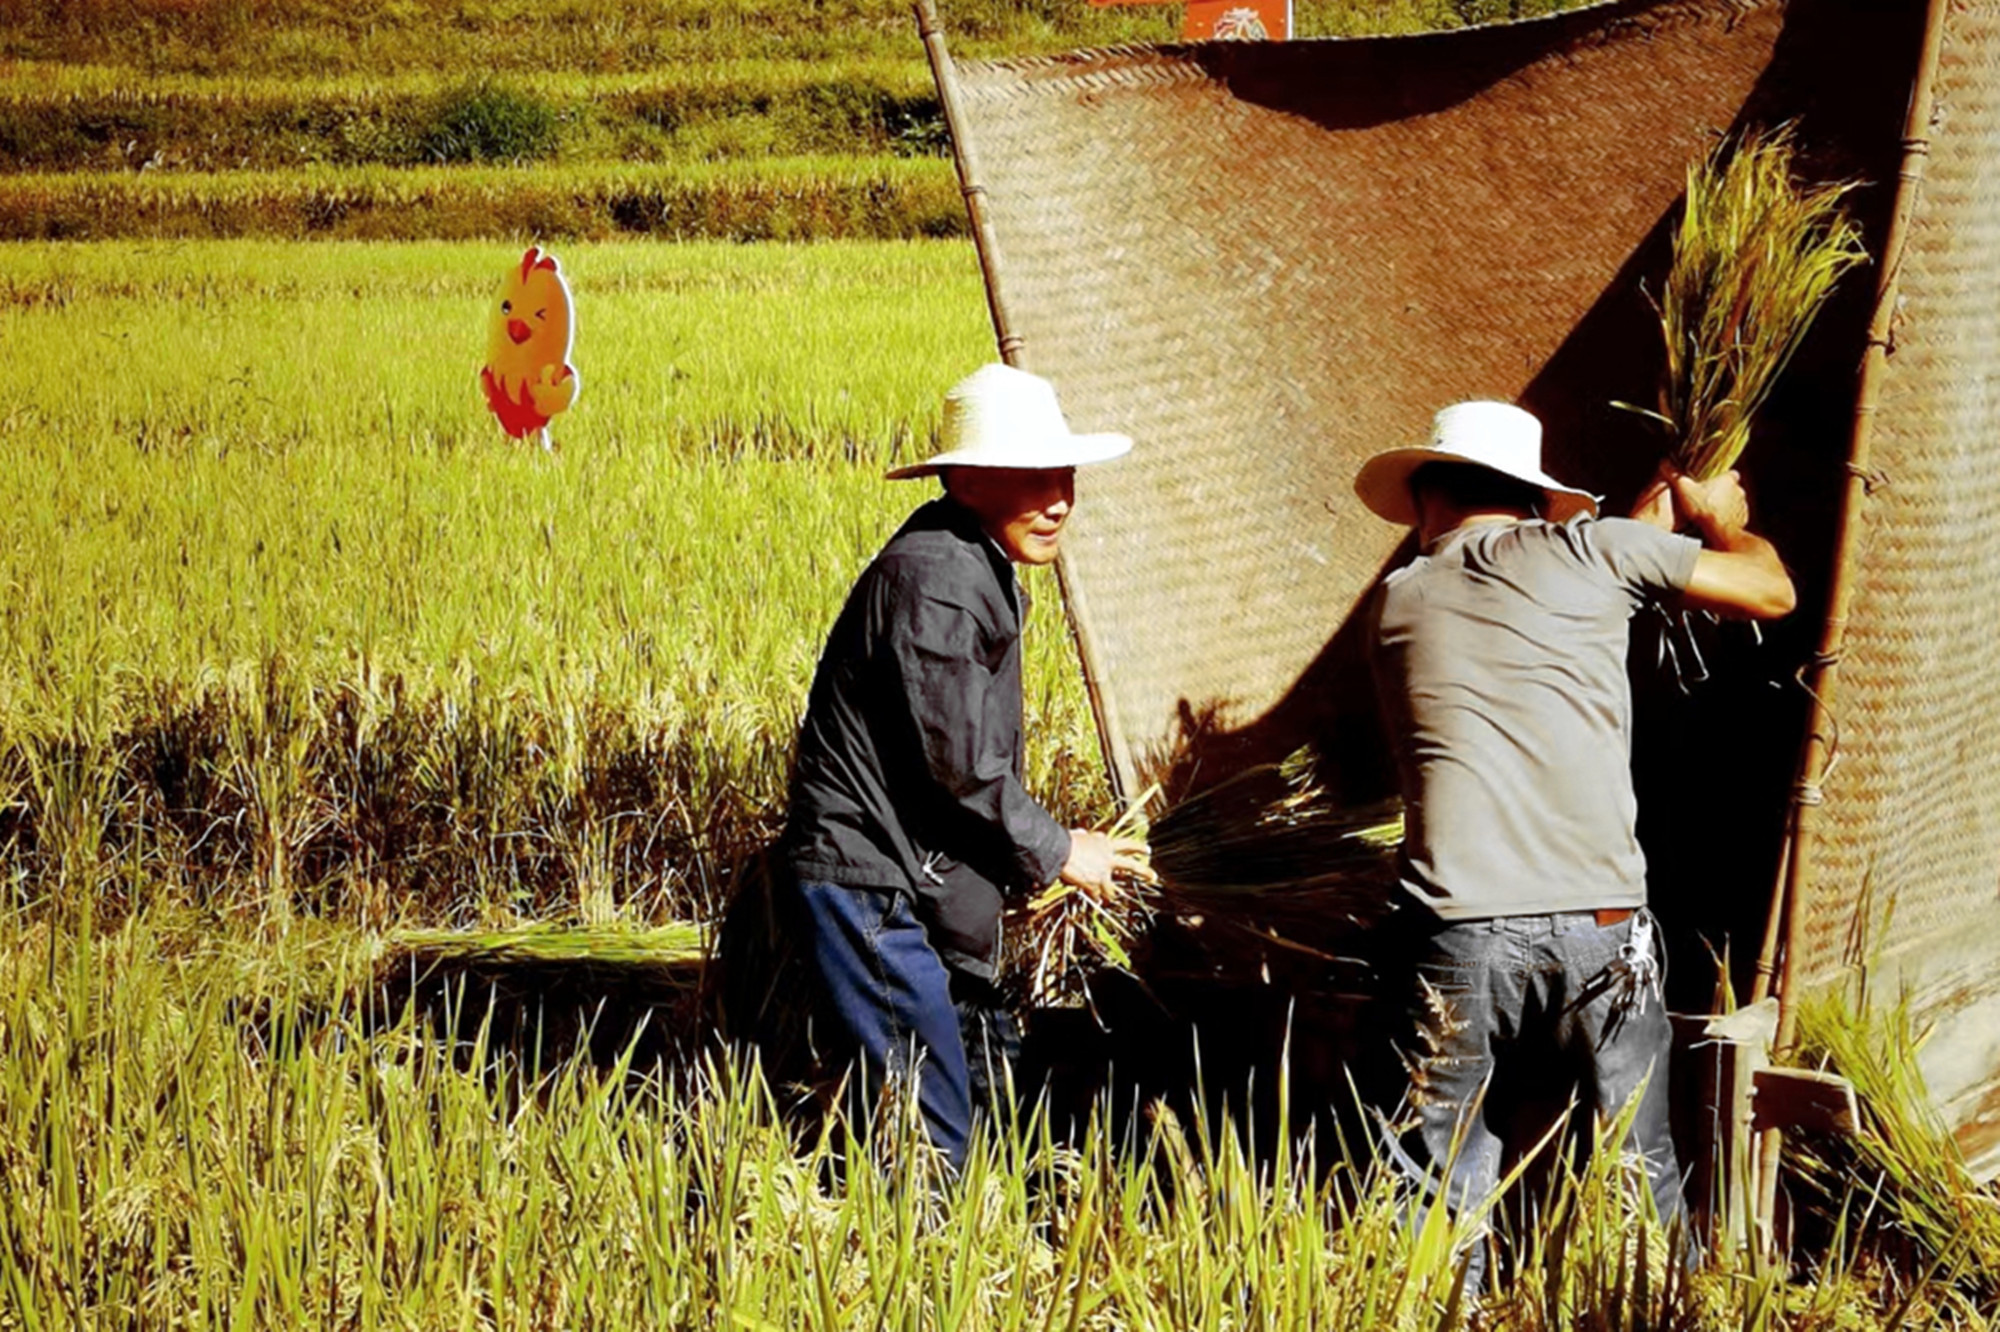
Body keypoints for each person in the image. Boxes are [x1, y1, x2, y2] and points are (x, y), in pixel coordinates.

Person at [1354, 400, 1795, 1288]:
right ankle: (1658, 1301)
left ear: (1426, 498)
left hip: (1457, 934)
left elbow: (1547, 592)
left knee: (1436, 1178)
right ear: (1532, 495)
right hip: (1605, 927)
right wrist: (1717, 520)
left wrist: (1630, 532)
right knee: (1640, 1162)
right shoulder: (1598, 556)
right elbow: (1771, 591)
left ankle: (1452, 1307)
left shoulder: (1400, 603)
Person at [781, 362, 1147, 1173]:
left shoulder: (967, 561)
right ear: (969, 481)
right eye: (1033, 477)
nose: (1059, 500)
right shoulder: (941, 582)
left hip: (899, 871)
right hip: (866, 876)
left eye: (1066, 476)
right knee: (927, 1118)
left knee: (966, 1083)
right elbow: (958, 768)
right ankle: (922, 1270)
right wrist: (1059, 852)